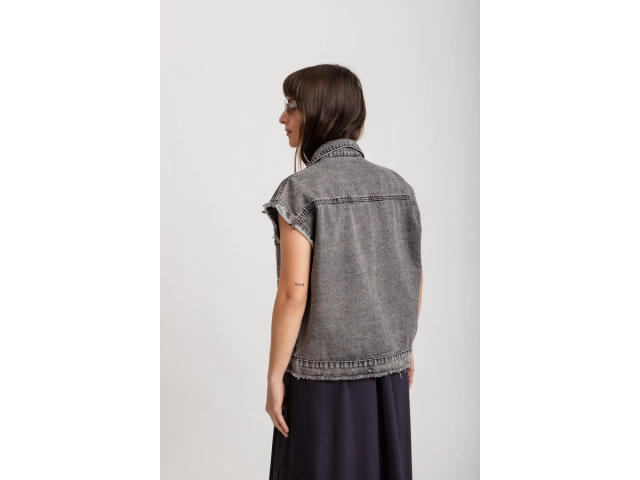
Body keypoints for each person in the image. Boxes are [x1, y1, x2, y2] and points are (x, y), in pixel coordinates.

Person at [262, 64, 423, 480]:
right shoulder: (399, 188)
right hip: (388, 376)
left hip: (320, 382)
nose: (282, 117)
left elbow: (293, 294)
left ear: (318, 112)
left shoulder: (300, 191)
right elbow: (412, 275)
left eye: (291, 106)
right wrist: (403, 347)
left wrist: (275, 376)